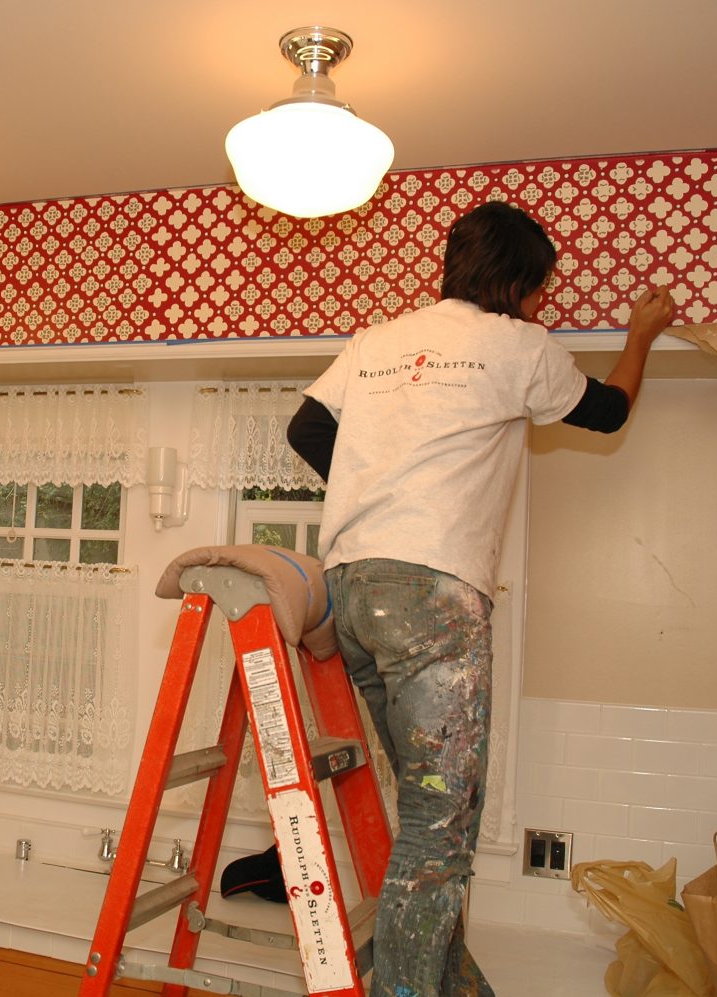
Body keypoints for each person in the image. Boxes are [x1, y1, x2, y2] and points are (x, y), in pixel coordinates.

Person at [287, 200, 675, 997]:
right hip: (432, 599)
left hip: (352, 591)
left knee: (434, 819)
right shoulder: (516, 344)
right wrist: (642, 336)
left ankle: (453, 981)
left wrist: (377, 495)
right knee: (440, 830)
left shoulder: (375, 342)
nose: (541, 306)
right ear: (520, 282)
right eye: (540, 291)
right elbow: (606, 413)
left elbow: (304, 428)